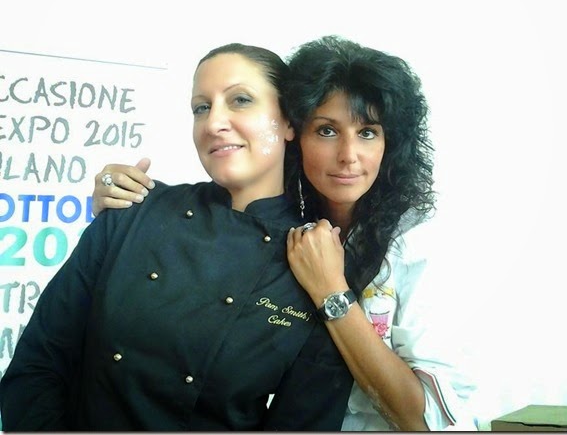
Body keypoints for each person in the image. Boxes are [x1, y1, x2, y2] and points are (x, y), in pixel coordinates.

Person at [88, 36, 477, 430]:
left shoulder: (417, 245)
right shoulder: (286, 228)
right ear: (294, 132)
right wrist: (126, 204)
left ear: (391, 143)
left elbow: (424, 421)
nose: (349, 155)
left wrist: (331, 292)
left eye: (367, 132)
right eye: (327, 131)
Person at [0, 43, 354, 431]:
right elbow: (37, 365)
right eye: (201, 107)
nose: (213, 122)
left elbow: (304, 423)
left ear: (288, 122)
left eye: (240, 100)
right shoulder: (132, 212)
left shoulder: (317, 264)